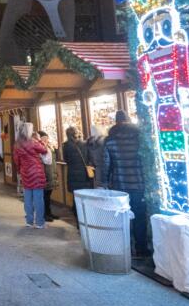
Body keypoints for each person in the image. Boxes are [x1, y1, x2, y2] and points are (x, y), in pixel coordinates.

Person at [103, 110, 148, 257]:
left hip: (119, 184)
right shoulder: (139, 138)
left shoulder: (110, 140)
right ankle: (141, 248)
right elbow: (146, 160)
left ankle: (124, 249)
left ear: (116, 122)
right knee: (140, 216)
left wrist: (105, 182)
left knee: (121, 217)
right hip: (138, 182)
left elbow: (106, 164)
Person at [14, 131, 48, 228]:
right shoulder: (33, 142)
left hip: (25, 173)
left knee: (27, 199)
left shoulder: (17, 145)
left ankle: (29, 221)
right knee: (38, 199)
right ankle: (39, 223)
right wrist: (41, 142)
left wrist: (20, 170)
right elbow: (44, 150)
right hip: (36, 173)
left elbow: (16, 160)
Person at [62, 127, 92, 226]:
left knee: (76, 199)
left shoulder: (66, 146)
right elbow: (89, 158)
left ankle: (79, 223)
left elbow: (66, 160)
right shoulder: (84, 144)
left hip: (72, 175)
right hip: (84, 175)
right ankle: (86, 222)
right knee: (85, 199)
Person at [38, 131, 57, 221]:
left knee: (48, 196)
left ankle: (49, 213)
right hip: (44, 174)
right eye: (44, 138)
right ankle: (44, 214)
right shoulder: (40, 148)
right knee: (44, 196)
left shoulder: (49, 147)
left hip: (50, 173)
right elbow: (45, 161)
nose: (46, 139)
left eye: (46, 137)